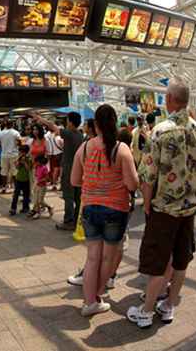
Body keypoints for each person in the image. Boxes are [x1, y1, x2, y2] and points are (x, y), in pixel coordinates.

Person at [129, 78, 196, 328]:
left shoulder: (161, 130)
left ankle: (146, 311)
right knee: (181, 258)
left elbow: (149, 174)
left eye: (165, 97)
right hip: (189, 207)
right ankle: (169, 305)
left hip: (165, 207)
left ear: (171, 100)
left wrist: (148, 203)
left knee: (157, 259)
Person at [70, 104, 138, 317]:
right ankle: (97, 296)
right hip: (115, 209)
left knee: (92, 258)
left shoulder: (85, 147)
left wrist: (94, 183)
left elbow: (74, 180)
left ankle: (89, 302)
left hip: (90, 207)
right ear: (115, 122)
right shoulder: (122, 149)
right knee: (108, 258)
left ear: (96, 124)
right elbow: (132, 184)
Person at [35, 112, 85, 231]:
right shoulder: (79, 135)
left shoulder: (69, 133)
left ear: (71, 122)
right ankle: (77, 220)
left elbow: (53, 126)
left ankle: (68, 221)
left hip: (69, 170)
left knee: (68, 196)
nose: (66, 123)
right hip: (79, 169)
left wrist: (41, 119)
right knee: (78, 197)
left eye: (67, 120)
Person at [0, 120, 20, 194]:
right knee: (15, 172)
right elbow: (20, 141)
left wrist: (3, 147)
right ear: (12, 124)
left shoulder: (1, 133)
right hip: (14, 154)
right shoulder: (15, 132)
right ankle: (16, 187)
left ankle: (4, 187)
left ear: (6, 125)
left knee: (4, 172)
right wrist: (16, 146)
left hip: (4, 154)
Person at [9, 144, 31, 216]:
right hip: (18, 178)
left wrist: (24, 162)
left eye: (22, 152)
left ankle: (25, 207)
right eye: (20, 152)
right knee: (16, 194)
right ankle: (13, 208)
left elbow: (29, 169)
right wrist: (18, 163)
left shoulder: (29, 158)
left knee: (26, 195)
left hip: (26, 179)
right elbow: (17, 167)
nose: (21, 153)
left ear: (26, 152)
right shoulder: (19, 158)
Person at [30, 154, 54, 220]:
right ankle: (37, 212)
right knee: (35, 200)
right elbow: (35, 175)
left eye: (36, 162)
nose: (35, 163)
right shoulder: (37, 167)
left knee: (40, 201)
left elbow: (47, 178)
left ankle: (49, 207)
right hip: (37, 185)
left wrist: (40, 180)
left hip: (42, 186)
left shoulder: (44, 168)